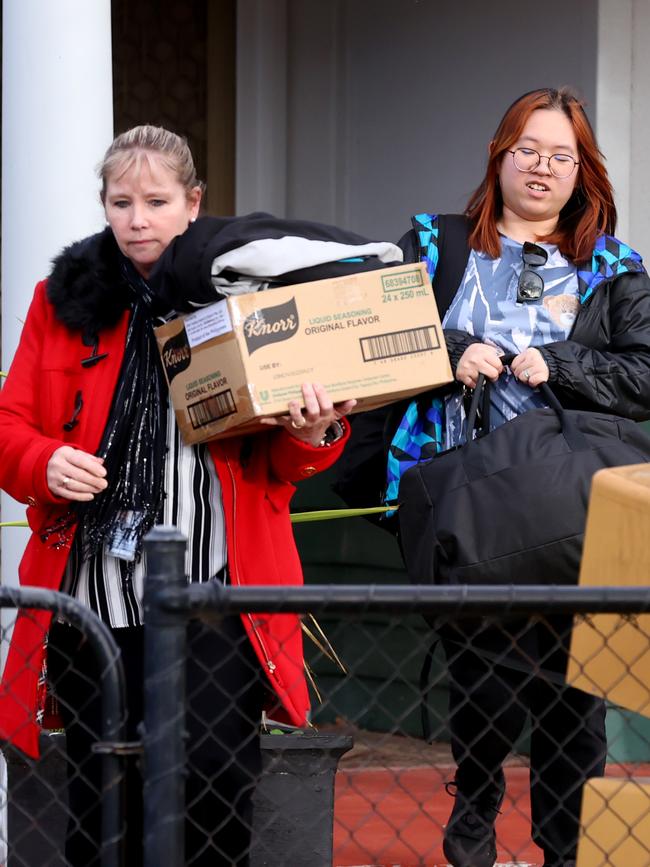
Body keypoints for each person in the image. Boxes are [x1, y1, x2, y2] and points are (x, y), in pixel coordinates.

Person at [0, 125, 399, 865]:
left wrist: (315, 431)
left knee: (216, 788)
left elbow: (281, 465)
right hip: (95, 598)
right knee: (103, 794)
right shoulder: (58, 302)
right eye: (121, 201)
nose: (137, 218)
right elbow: (9, 426)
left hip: (220, 592)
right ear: (104, 206)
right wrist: (44, 461)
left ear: (193, 204)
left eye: (156, 200)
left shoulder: (253, 296)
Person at [388, 88, 650, 867]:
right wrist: (451, 350)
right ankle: (472, 824)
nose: (542, 167)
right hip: (472, 503)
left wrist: (562, 364)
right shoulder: (435, 245)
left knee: (577, 699)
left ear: (583, 170)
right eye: (527, 149)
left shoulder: (614, 264)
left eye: (560, 155)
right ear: (500, 156)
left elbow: (644, 373)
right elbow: (371, 334)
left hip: (577, 508)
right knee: (485, 681)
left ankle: (567, 851)